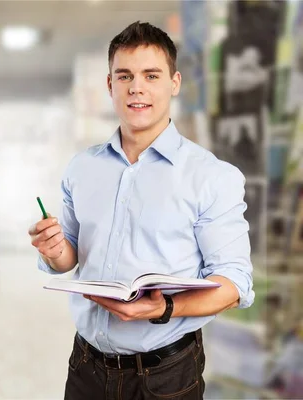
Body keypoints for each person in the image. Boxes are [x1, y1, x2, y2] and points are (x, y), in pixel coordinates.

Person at [28, 21, 254, 400]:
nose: (137, 87)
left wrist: (163, 307)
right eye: (125, 76)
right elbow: (69, 258)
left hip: (164, 376)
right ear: (110, 85)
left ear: (174, 83)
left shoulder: (211, 176)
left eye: (151, 75)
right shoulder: (82, 168)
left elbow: (234, 286)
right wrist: (54, 251)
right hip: (85, 366)